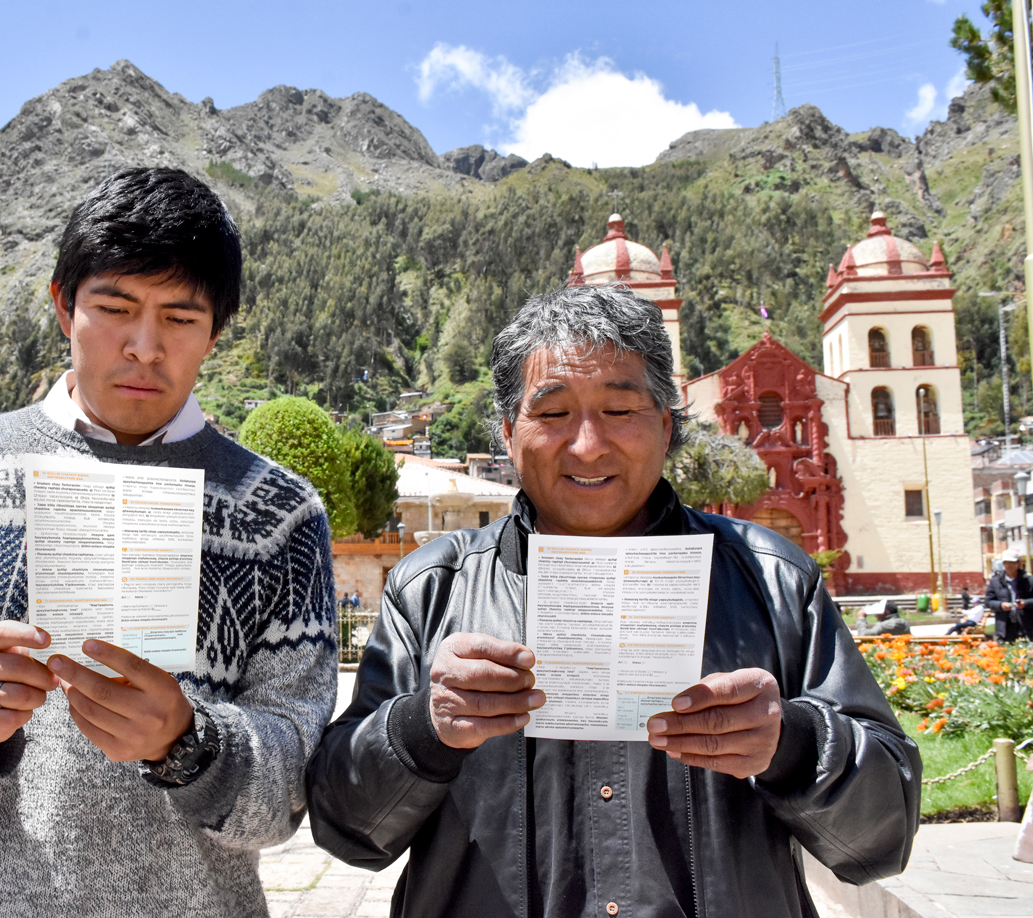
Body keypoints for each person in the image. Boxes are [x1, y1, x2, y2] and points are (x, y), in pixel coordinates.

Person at [0, 168, 338, 917]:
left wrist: (191, 744)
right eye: (114, 307)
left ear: (217, 331)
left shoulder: (279, 512)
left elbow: (293, 778)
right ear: (64, 304)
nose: (145, 347)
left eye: (181, 318)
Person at [307, 284, 922, 918]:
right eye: (552, 413)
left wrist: (790, 744)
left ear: (668, 424)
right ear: (507, 433)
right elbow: (347, 827)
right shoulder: (432, 588)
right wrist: (421, 730)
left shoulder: (773, 579)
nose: (588, 445)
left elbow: (885, 831)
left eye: (621, 410)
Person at [984, 548, 1033, 643]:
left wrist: (1025, 603)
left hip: (1026, 626)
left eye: (1012, 562)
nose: (1009, 565)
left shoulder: (1029, 581)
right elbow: (988, 602)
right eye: (1006, 563)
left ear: (1018, 563)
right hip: (1005, 627)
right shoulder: (995, 582)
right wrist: (1001, 605)